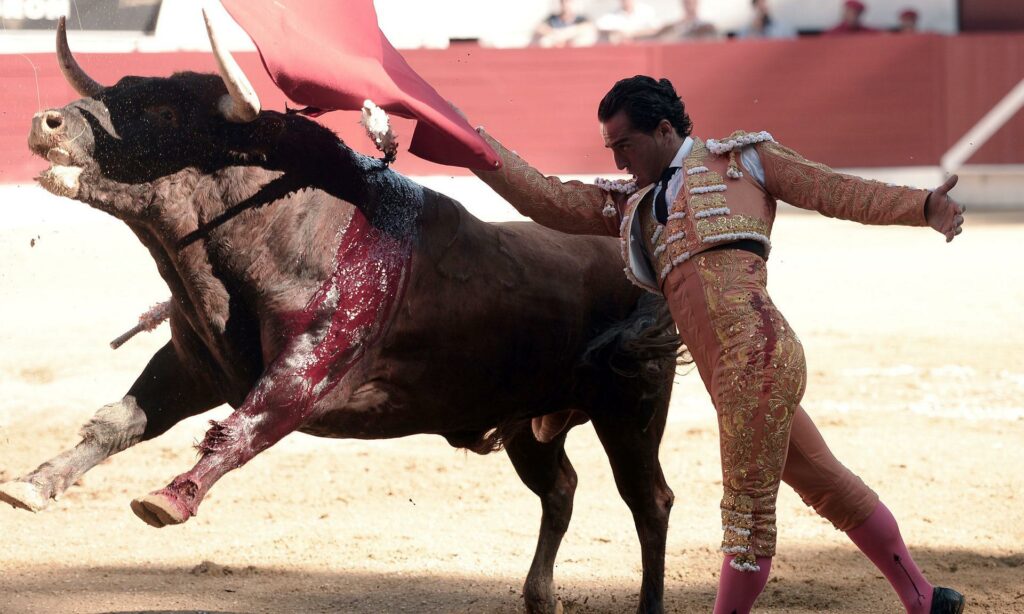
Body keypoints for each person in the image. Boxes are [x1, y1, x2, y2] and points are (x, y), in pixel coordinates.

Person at [468, 76, 966, 613]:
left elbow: (833, 189)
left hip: (758, 356)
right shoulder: (631, 204)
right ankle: (924, 599)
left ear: (663, 130)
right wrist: (469, 143)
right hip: (730, 374)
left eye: (625, 146)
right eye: (611, 151)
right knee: (829, 486)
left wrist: (922, 207)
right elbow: (548, 199)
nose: (618, 163)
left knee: (746, 523)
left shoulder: (743, 161)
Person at [532, 0, 598, 48]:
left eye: (569, 2)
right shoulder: (552, 19)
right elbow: (539, 27)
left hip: (574, 46)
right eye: (563, 2)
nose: (566, 5)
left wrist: (566, 34)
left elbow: (590, 27)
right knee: (545, 41)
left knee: (588, 35)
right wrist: (557, 36)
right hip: (556, 44)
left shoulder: (581, 19)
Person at [647, 0, 719, 41]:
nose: (690, 5)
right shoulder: (672, 27)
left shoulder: (708, 27)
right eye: (687, 2)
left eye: (693, 2)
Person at [594, 0, 660, 44]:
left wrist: (634, 34)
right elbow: (598, 28)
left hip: (643, 50)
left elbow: (656, 29)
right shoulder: (611, 15)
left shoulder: (647, 11)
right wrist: (617, 33)